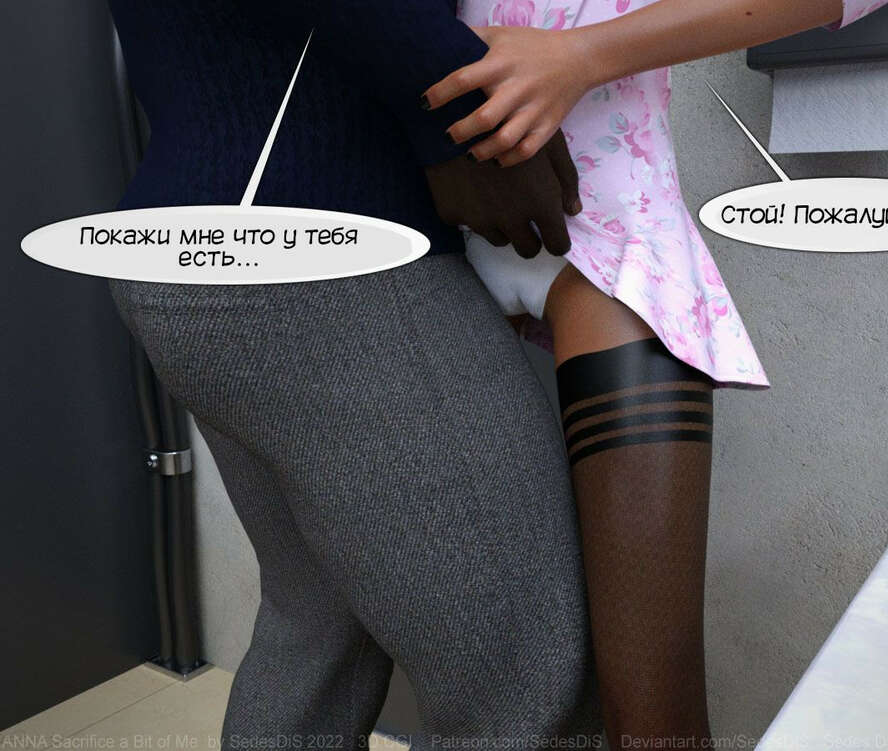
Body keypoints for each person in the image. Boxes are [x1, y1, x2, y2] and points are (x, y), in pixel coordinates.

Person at [105, 1, 603, 748]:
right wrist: (477, 121)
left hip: (197, 256)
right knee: (527, 677)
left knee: (316, 628)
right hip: (322, 260)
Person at [421, 0, 888, 746]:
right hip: (437, 241)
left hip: (611, 251)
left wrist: (585, 55)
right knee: (492, 687)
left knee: (653, 721)